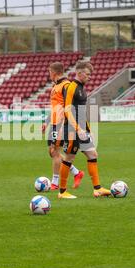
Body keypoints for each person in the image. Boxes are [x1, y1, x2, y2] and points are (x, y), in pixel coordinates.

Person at [58, 61, 111, 199]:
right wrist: (77, 129)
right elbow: (67, 110)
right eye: (88, 74)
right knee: (69, 157)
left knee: (92, 154)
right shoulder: (71, 87)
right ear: (80, 73)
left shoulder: (82, 88)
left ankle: (97, 189)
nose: (90, 77)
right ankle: (62, 192)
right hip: (71, 128)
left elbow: (80, 112)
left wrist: (88, 128)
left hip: (81, 129)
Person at [42, 62, 84, 190]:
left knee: (55, 151)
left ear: (54, 72)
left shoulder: (65, 85)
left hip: (61, 124)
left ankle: (55, 182)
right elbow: (55, 107)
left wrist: (64, 125)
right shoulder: (56, 86)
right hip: (54, 123)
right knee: (52, 152)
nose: (49, 74)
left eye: (49, 71)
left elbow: (68, 107)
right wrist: (47, 121)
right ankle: (77, 173)